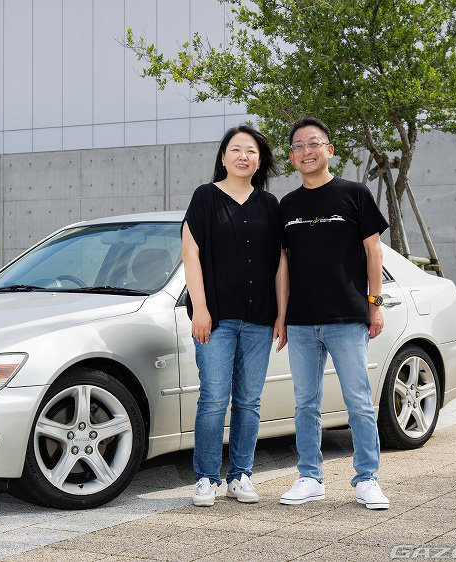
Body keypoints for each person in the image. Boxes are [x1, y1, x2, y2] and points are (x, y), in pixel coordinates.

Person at [277, 117, 391, 510]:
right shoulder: (287, 206)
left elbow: (374, 252)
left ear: (329, 150)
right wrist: (282, 316)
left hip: (346, 316)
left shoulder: (354, 194)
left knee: (358, 400)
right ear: (292, 156)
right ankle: (310, 477)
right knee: (305, 402)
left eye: (313, 143)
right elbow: (283, 264)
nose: (306, 151)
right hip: (301, 321)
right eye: (298, 146)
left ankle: (367, 479)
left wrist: (375, 305)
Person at [182, 125, 288, 507]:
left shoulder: (270, 204)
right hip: (216, 319)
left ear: (260, 161)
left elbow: (280, 262)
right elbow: (190, 254)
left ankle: (241, 475)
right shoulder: (205, 197)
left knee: (249, 401)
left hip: (260, 319)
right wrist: (201, 309)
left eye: (251, 151)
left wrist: (282, 314)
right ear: (224, 157)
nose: (244, 156)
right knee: (213, 398)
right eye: (236, 149)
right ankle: (206, 478)